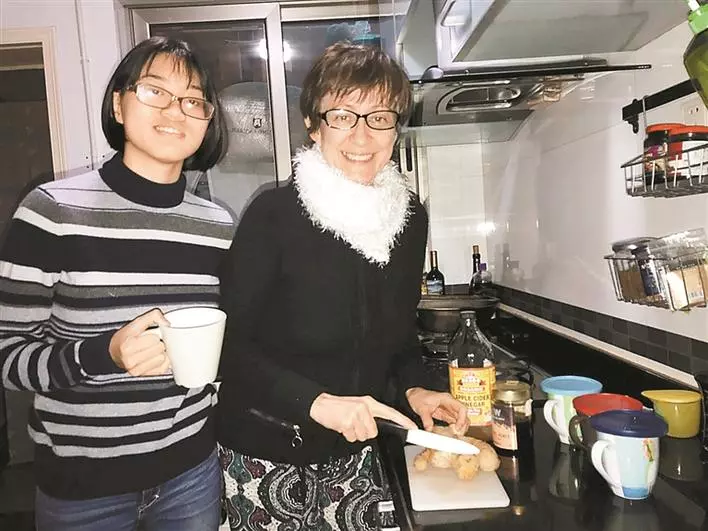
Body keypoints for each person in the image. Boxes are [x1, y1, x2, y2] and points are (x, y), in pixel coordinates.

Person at [217, 42, 468, 531]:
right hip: (266, 452)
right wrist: (317, 403)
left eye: (380, 117)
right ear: (314, 125)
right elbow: (227, 345)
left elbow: (398, 334)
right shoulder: (274, 216)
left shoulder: (408, 220)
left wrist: (416, 388)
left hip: (357, 452)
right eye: (342, 116)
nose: (362, 134)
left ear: (396, 128)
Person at [0, 36, 235, 530]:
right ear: (119, 105)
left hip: (191, 472)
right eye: (155, 91)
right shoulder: (52, 212)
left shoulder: (216, 225)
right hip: (83, 489)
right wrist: (102, 354)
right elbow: (8, 356)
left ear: (207, 121)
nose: (175, 110)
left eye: (193, 100)